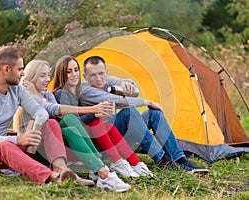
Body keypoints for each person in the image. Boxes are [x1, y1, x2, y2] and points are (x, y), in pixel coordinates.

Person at [0, 45, 77, 185]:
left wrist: (34, 126)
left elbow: (41, 112)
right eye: (20, 69)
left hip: (5, 146)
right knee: (5, 146)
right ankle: (53, 177)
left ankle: (62, 172)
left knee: (51, 124)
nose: (23, 74)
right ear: (6, 69)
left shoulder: (17, 90)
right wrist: (18, 140)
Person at [13, 59, 132, 192]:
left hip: (53, 142)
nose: (47, 79)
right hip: (35, 149)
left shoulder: (48, 94)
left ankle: (99, 167)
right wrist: (93, 109)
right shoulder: (25, 96)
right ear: (30, 79)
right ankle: (102, 170)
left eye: (48, 75)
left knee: (70, 124)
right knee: (65, 123)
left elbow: (59, 115)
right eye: (42, 76)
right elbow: (51, 109)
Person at [79, 55, 208, 173]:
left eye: (101, 74)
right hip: (104, 144)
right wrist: (147, 101)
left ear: (107, 73)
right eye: (93, 75)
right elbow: (116, 101)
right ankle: (163, 160)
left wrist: (128, 83)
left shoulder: (108, 81)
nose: (98, 78)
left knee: (154, 114)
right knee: (129, 111)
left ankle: (179, 159)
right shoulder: (85, 90)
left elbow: (135, 89)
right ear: (85, 77)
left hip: (120, 136)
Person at [52, 55, 153, 178]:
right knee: (96, 121)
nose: (74, 74)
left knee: (106, 124)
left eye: (76, 70)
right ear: (62, 74)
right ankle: (117, 162)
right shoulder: (61, 94)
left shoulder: (79, 92)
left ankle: (134, 162)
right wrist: (95, 113)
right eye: (69, 72)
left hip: (90, 140)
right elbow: (72, 122)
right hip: (73, 145)